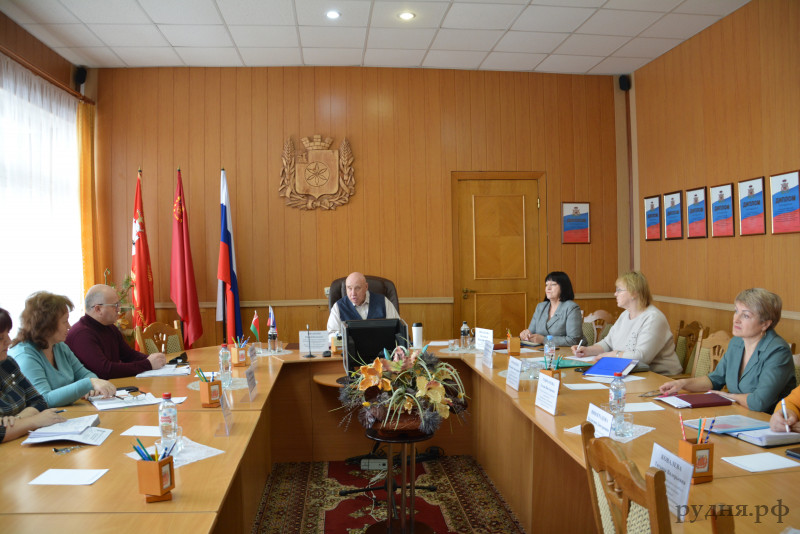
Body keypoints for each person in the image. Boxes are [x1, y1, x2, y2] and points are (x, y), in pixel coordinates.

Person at [660, 288, 795, 413]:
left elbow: (759, 402)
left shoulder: (778, 352)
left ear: (765, 324)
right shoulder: (737, 342)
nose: (736, 319)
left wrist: (728, 396)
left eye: (746, 315)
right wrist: (682, 383)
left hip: (767, 423)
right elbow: (715, 380)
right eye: (736, 311)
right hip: (738, 414)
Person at [9, 292, 116, 407]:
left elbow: (85, 374)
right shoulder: (25, 356)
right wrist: (90, 384)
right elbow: (43, 400)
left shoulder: (59, 346)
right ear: (47, 325)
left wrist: (92, 383)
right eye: (65, 321)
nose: (69, 326)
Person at [571, 271, 682, 375]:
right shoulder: (625, 315)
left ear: (634, 293)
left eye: (619, 290)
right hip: (630, 373)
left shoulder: (653, 318)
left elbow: (642, 358)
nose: (615, 294)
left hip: (661, 378)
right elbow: (608, 343)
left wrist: (613, 355)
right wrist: (587, 350)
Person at [65, 285, 166, 379]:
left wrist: (153, 359)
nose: (119, 309)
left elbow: (129, 355)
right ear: (98, 309)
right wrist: (148, 364)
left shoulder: (109, 327)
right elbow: (105, 370)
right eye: (115, 305)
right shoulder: (82, 334)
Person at [0, 307, 65, 443]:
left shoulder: (7, 363)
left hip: (18, 442)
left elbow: (39, 401)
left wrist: (18, 420)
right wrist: (34, 421)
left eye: (8, 334)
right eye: (1, 338)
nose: (9, 341)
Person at [519, 271, 583, 346]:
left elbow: (574, 340)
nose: (548, 288)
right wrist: (526, 335)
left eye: (553, 284)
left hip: (567, 351)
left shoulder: (572, 308)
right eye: (546, 285)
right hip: (541, 351)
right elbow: (531, 333)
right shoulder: (540, 307)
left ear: (563, 287)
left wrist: (544, 340)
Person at [327, 272, 400, 334]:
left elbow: (398, 329)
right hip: (351, 346)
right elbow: (332, 334)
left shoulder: (383, 302)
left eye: (357, 288)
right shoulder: (338, 307)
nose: (353, 293)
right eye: (349, 288)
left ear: (366, 287)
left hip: (381, 346)